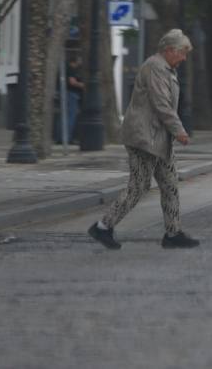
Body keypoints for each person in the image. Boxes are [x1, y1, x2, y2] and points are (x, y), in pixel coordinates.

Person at [88, 29, 199, 251]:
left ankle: (173, 233)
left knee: (170, 185)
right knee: (138, 186)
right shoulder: (155, 67)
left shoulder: (167, 68)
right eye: (182, 53)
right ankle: (102, 227)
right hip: (144, 138)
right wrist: (179, 130)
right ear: (169, 50)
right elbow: (161, 104)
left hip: (159, 139)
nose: (184, 58)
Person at [59, 56, 84, 144]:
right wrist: (82, 85)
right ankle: (67, 138)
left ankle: (65, 137)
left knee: (68, 116)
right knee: (71, 117)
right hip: (72, 94)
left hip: (69, 94)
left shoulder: (68, 68)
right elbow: (72, 82)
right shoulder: (71, 69)